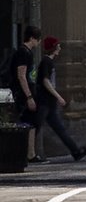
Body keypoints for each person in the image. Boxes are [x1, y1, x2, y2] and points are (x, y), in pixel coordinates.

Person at [33, 38, 86, 162]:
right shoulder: (46, 62)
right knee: (35, 128)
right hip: (44, 102)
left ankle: (75, 151)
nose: (59, 48)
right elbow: (46, 81)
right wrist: (58, 96)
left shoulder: (49, 62)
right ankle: (27, 154)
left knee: (58, 128)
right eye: (58, 46)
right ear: (53, 48)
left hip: (49, 102)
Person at [7, 26, 42, 163]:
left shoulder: (26, 52)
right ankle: (28, 153)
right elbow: (21, 75)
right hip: (22, 93)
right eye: (38, 39)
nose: (38, 43)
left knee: (31, 122)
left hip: (25, 92)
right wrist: (29, 96)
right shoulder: (23, 53)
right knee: (28, 122)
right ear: (32, 38)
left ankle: (30, 152)